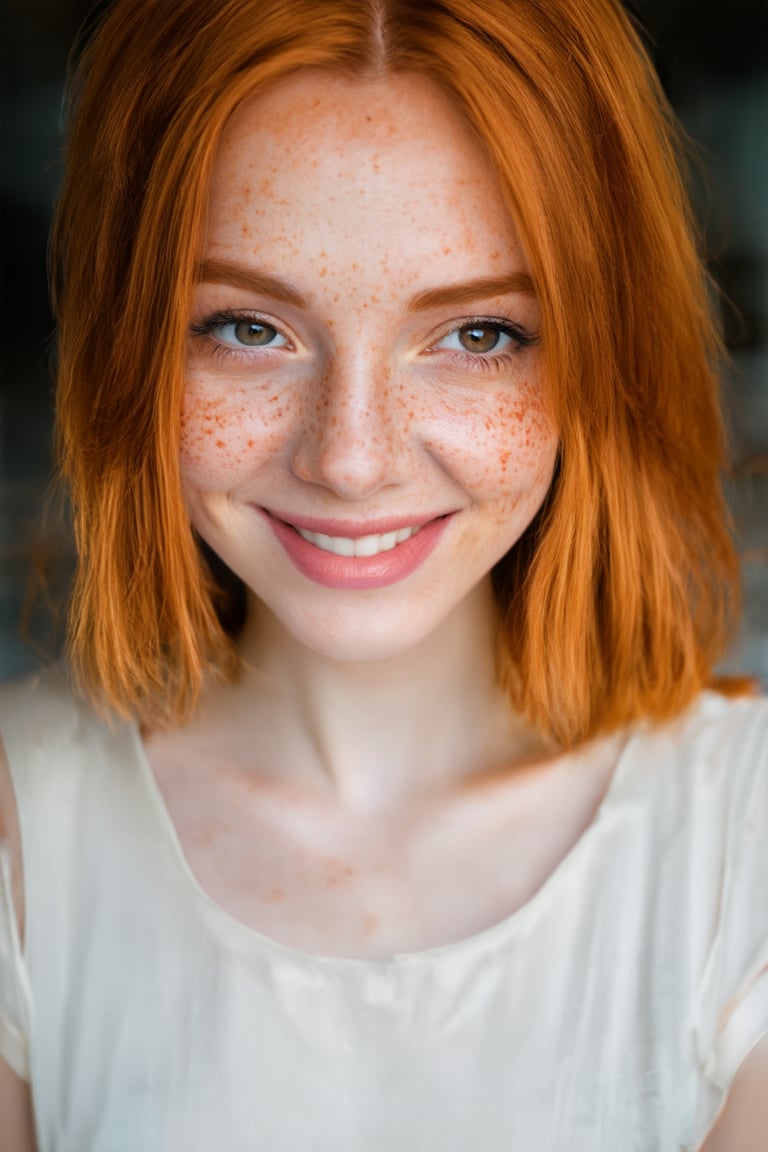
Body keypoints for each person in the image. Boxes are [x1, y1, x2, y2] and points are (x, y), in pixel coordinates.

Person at [1, 0, 766, 1147]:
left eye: (477, 336)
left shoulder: (742, 847)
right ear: (131, 344)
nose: (351, 459)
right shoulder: (22, 836)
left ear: (604, 355)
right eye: (248, 328)